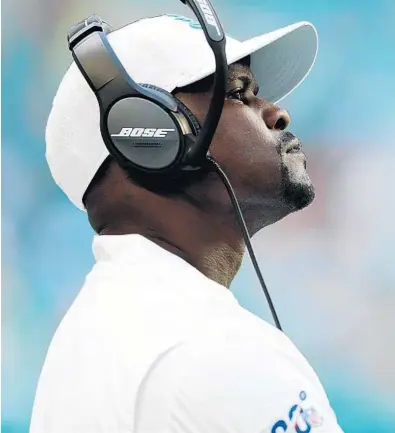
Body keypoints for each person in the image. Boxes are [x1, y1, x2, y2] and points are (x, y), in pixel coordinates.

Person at [30, 13, 344, 433]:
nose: (277, 114)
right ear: (150, 137)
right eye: (239, 93)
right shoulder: (211, 348)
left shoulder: (89, 345)